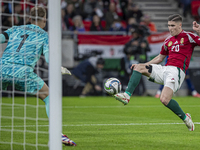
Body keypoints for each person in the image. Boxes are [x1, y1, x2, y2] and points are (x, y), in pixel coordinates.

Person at [0, 7, 76, 146]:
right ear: (44, 19)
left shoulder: (15, 29)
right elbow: (48, 59)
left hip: (2, 69)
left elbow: (0, 38)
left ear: (29, 18)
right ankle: (57, 134)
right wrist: (58, 67)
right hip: (22, 73)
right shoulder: (43, 35)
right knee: (49, 97)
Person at [114, 14, 200, 131]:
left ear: (180, 25)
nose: (170, 28)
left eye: (173, 25)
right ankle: (126, 96)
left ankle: (186, 118)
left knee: (164, 100)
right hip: (164, 68)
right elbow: (160, 57)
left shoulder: (189, 36)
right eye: (169, 25)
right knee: (138, 67)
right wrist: (144, 65)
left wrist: (199, 32)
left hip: (176, 71)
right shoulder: (168, 40)